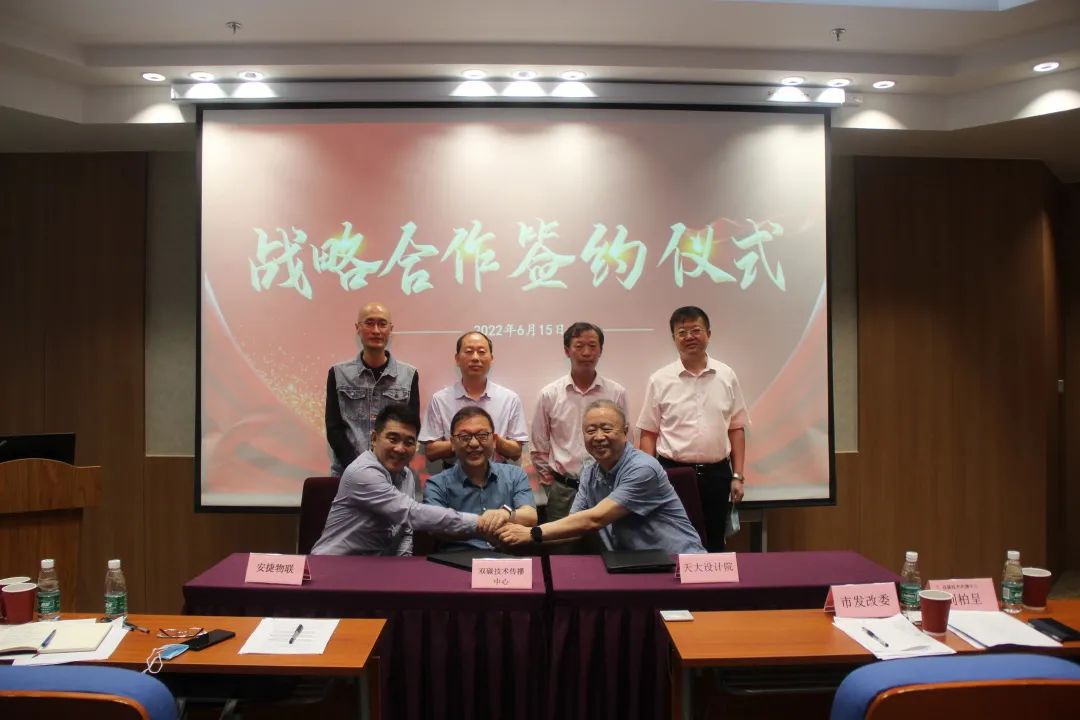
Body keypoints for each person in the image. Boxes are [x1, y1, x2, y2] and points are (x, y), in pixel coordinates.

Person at [498, 400, 704, 555]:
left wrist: (532, 533)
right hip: (633, 566)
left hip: (679, 563)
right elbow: (573, 528)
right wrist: (512, 536)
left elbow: (595, 519)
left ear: (625, 432)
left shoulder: (643, 468)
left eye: (606, 429)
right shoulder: (590, 473)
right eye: (590, 431)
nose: (598, 437)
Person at [637, 305, 749, 552]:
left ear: (708, 333)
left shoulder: (726, 375)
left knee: (714, 541)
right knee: (674, 541)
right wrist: (647, 478)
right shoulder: (660, 379)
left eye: (696, 330)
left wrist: (738, 475)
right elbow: (649, 433)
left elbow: (736, 428)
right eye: (682, 332)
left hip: (717, 474)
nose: (689, 337)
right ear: (674, 338)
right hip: (673, 473)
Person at [312, 404, 477, 556]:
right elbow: (411, 513)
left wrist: (403, 567)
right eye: (393, 439)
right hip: (333, 565)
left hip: (375, 568)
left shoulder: (407, 475)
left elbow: (406, 531)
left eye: (409, 442)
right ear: (374, 439)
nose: (400, 448)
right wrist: (479, 522)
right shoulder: (362, 472)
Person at [531, 322, 627, 524]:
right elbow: (539, 447)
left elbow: (626, 441)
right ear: (567, 350)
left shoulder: (616, 392)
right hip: (563, 490)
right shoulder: (549, 394)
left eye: (592, 346)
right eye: (579, 346)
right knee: (562, 543)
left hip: (607, 487)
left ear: (600, 350)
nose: (586, 352)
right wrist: (552, 484)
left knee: (608, 542)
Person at [424, 406, 538, 551]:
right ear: (452, 443)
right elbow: (435, 525)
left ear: (494, 440)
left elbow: (530, 516)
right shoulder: (436, 484)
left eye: (482, 435)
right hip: (458, 559)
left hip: (507, 559)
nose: (474, 443)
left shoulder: (515, 475)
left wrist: (505, 514)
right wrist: (482, 524)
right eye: (464, 437)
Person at [325, 302, 419, 476]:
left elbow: (411, 428)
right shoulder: (338, 374)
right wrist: (359, 468)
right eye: (369, 323)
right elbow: (334, 429)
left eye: (382, 324)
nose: (376, 330)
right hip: (348, 473)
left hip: (393, 474)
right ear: (358, 328)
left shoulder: (409, 375)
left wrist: (390, 465)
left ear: (390, 329)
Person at [420, 331, 528, 464]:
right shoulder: (440, 399)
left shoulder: (509, 399)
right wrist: (464, 440)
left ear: (491, 359)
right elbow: (431, 452)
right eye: (469, 351)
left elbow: (516, 452)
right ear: (457, 359)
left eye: (481, 352)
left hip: (498, 472)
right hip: (454, 473)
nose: (475, 357)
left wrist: (493, 440)